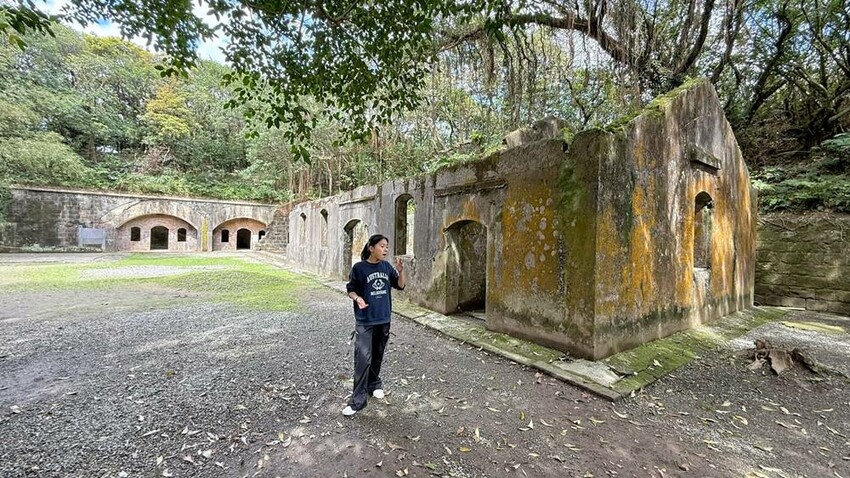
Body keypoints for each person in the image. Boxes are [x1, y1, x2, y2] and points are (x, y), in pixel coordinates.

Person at [342, 234, 405, 416]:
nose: (385, 249)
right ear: (371, 248)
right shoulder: (359, 268)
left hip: (383, 319)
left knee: (377, 355)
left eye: (387, 246)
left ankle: (373, 384)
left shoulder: (386, 267)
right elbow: (351, 289)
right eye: (382, 246)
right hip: (365, 320)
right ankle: (357, 401)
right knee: (363, 359)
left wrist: (400, 271)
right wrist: (358, 298)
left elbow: (400, 286)